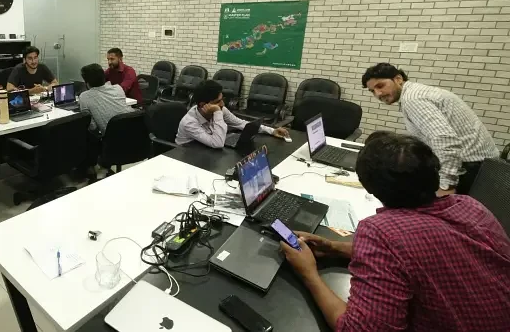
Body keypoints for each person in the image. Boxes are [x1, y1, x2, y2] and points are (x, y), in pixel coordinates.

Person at [280, 133, 510, 332]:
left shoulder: (380, 233)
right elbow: (418, 255)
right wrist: (335, 247)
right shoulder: (470, 205)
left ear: (369, 187)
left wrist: (308, 273)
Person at [361, 63, 498, 195]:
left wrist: (446, 185)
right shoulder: (415, 92)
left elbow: (445, 140)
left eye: (380, 86)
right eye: (372, 91)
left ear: (398, 79)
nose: (378, 94)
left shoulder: (413, 99)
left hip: (471, 168)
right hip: (478, 165)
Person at [175, 80, 289, 148]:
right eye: (217, 102)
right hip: (185, 155)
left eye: (222, 99)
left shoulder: (220, 108)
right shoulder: (190, 122)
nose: (222, 104)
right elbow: (217, 143)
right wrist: (217, 112)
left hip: (205, 150)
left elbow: (240, 123)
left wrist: (271, 130)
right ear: (203, 104)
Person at [78, 63, 134, 134]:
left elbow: (92, 127)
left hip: (111, 138)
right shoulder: (118, 88)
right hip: (132, 132)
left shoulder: (84, 97)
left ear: (87, 83)